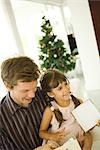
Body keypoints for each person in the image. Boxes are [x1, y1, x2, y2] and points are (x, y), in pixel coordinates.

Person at [0, 56, 52, 150]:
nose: (32, 95)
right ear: (7, 85)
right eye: (25, 90)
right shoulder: (2, 118)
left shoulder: (45, 94)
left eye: (34, 88)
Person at [39, 69, 93, 150]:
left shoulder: (78, 101)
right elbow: (41, 132)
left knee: (88, 136)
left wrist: (94, 122)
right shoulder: (50, 110)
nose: (66, 89)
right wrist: (52, 136)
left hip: (77, 136)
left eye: (66, 84)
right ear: (51, 94)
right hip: (59, 142)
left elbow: (87, 123)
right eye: (60, 88)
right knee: (48, 147)